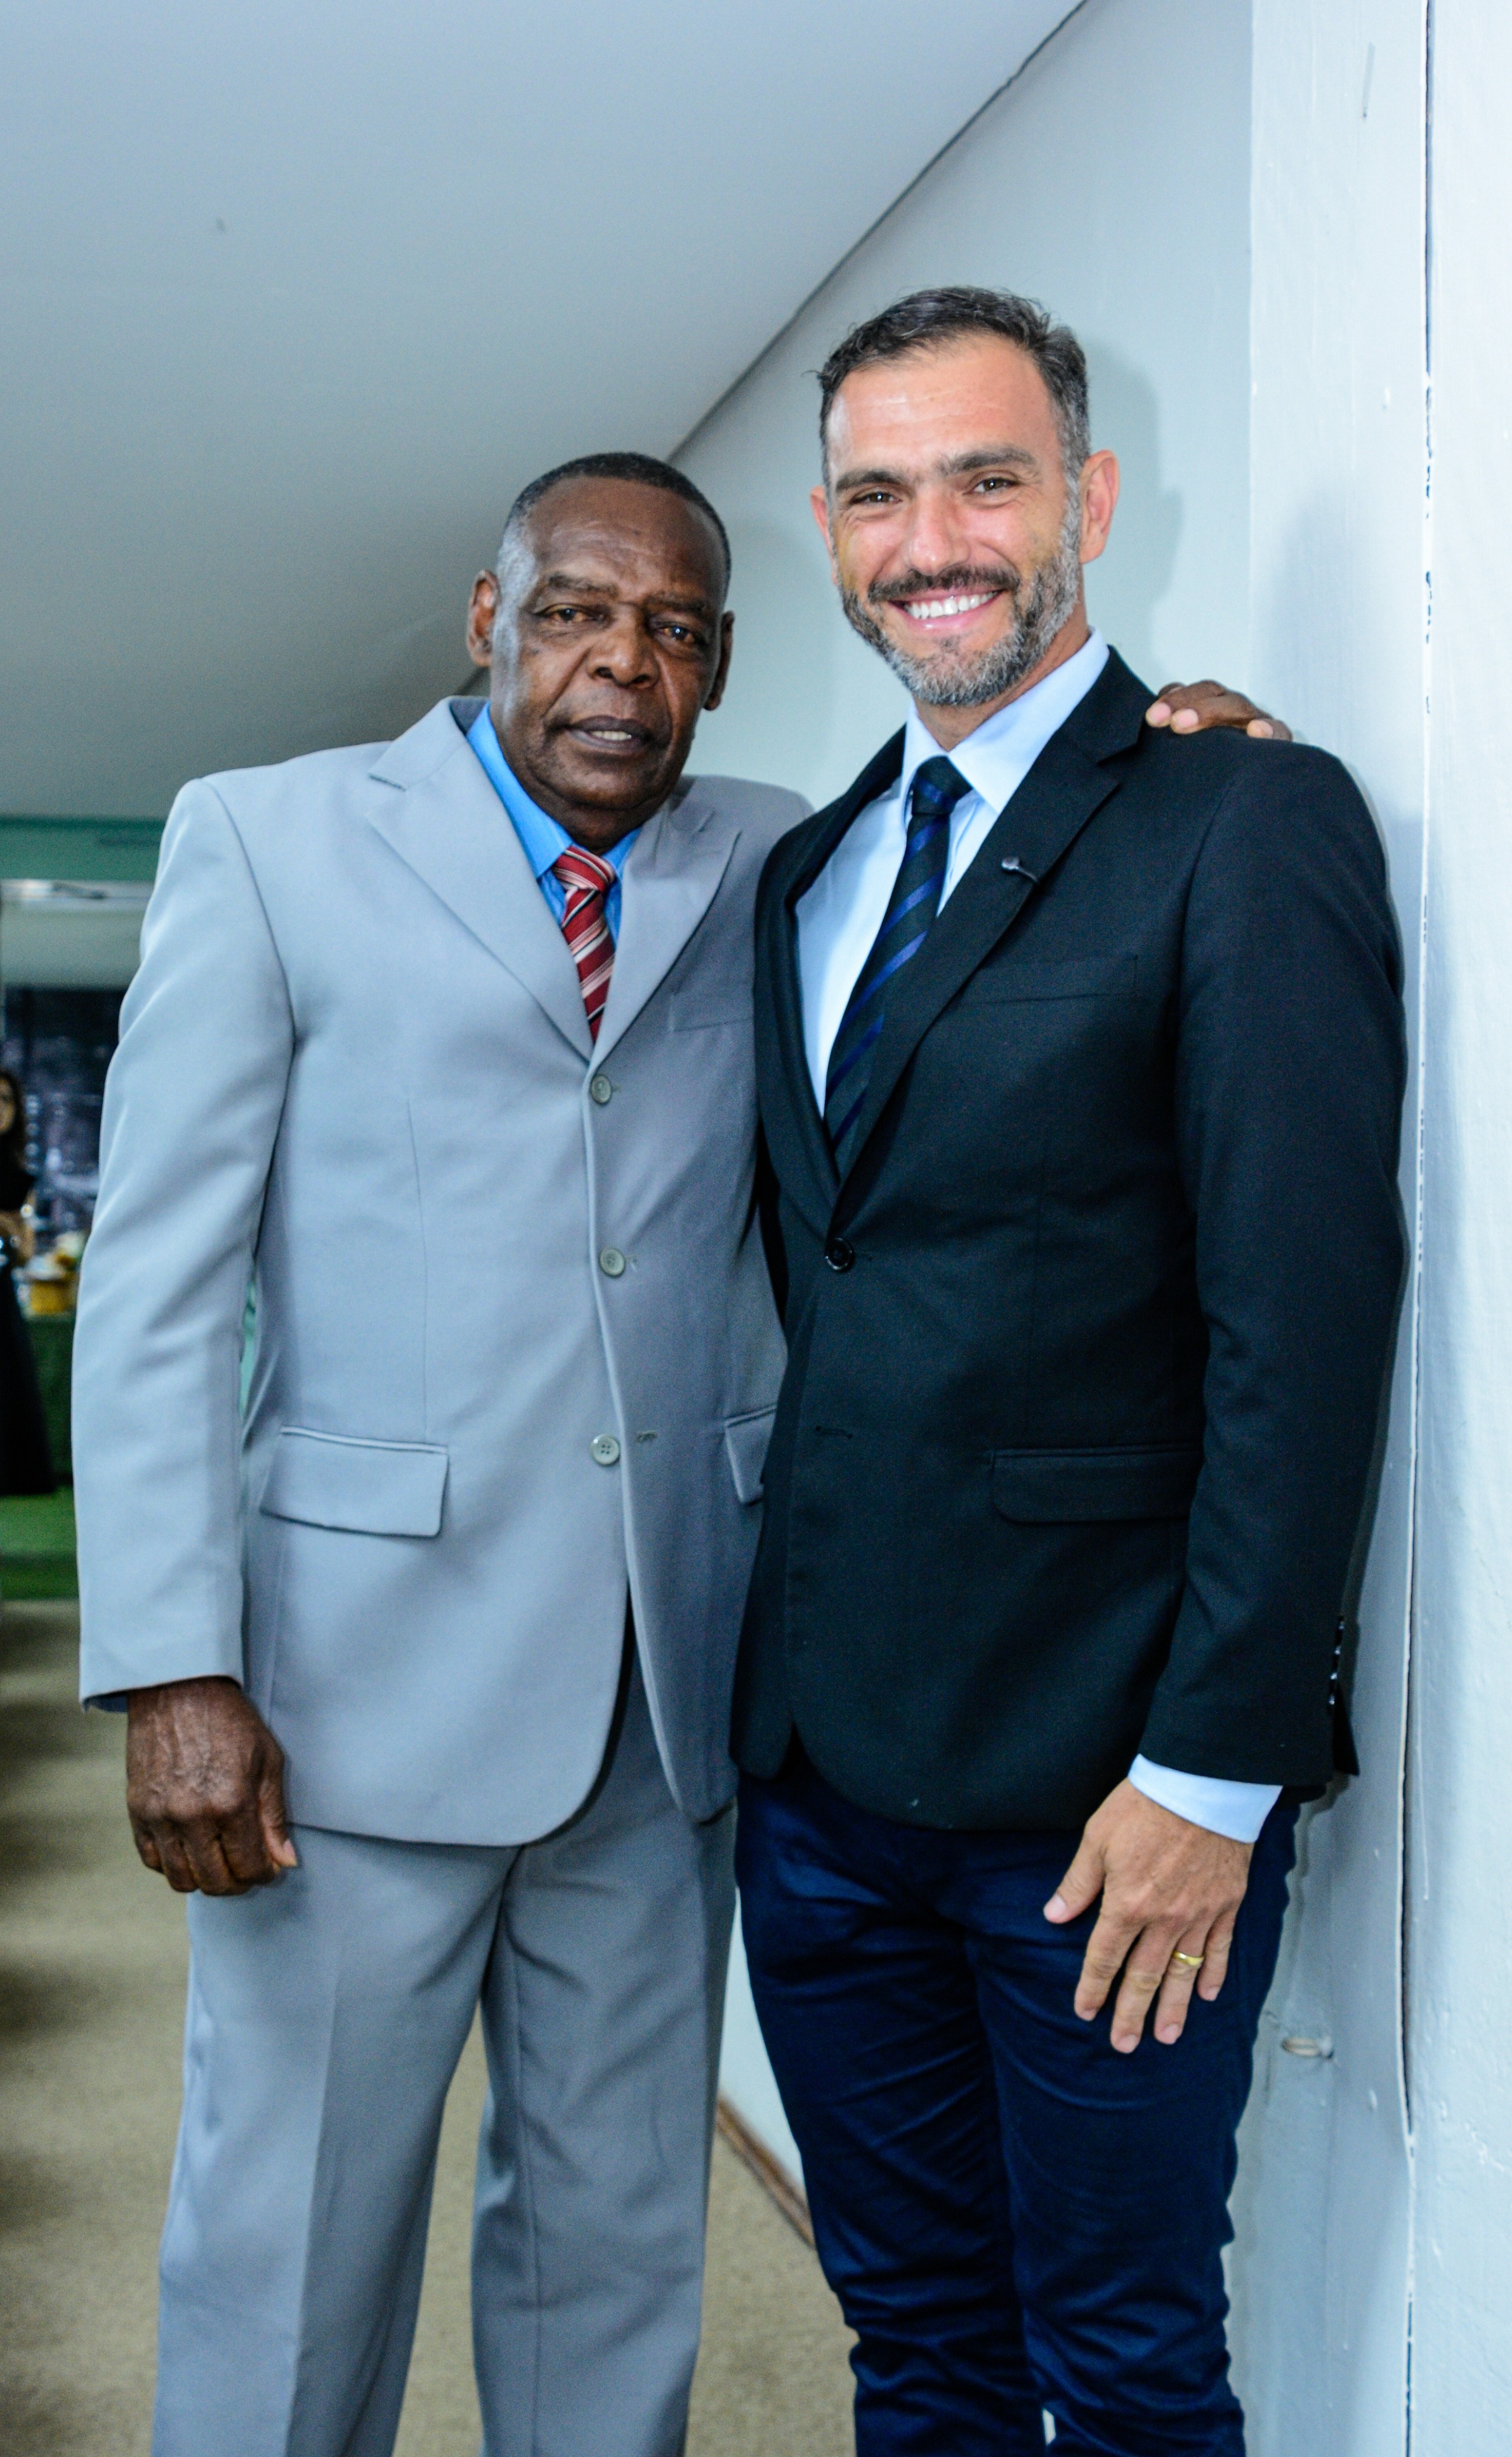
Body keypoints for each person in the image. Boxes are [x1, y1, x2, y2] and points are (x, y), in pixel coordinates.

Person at [74, 437, 1279, 2457]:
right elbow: (159, 1284)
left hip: (671, 1705)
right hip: (338, 1709)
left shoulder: (788, 862)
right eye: (571, 613)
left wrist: (1185, 771)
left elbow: (1027, 862)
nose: (617, 666)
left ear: (717, 662)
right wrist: (171, 1664)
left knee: (619, 2257)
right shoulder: (267, 841)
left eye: (672, 629)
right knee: (288, 2255)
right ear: (489, 621)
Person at [733, 287, 1406, 2454]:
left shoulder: (1243, 821)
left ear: (1089, 501)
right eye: (877, 493)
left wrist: (1215, 1775)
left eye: (986, 480)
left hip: (1109, 1803)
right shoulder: (810, 871)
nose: (930, 539)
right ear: (829, 532)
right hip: (821, 1791)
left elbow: (1302, 1325)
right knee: (916, 2348)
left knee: (1120, 2369)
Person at [0, 1064, 53, 1500]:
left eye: (5, 1100)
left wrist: (9, 1230)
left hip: (0, 1287)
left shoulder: (19, 1174)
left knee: (8, 1379)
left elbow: (26, 1252)